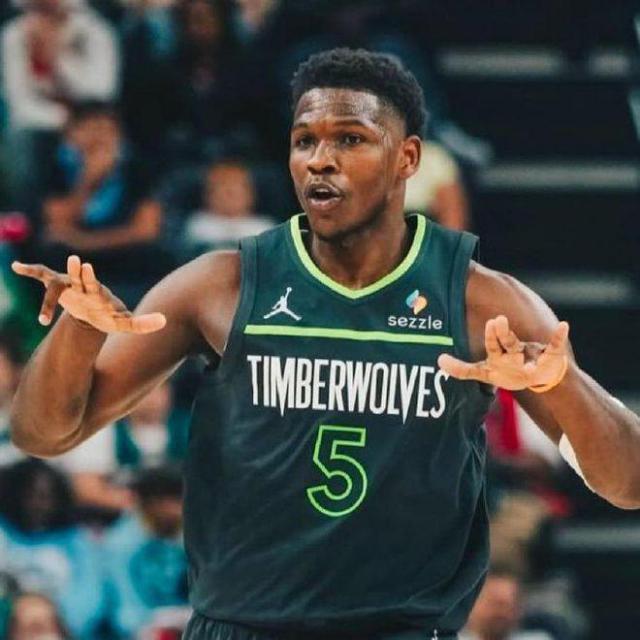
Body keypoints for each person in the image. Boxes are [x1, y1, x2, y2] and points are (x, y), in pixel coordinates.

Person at [8, 48, 640, 639]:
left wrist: (561, 384)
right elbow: (43, 434)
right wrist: (78, 330)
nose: (320, 159)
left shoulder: (481, 301)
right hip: (240, 626)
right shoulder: (220, 285)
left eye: (350, 139)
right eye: (304, 140)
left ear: (407, 158)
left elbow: (629, 482)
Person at [0, 460, 105, 638]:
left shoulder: (75, 540)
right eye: (29, 496)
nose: (37, 504)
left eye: (45, 497)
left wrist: (53, 621)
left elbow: (90, 597)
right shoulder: (3, 532)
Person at [102, 466, 188, 638]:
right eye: (170, 499)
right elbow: (125, 610)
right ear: (148, 502)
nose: (177, 508)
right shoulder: (119, 543)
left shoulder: (194, 536)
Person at [183, 158, 274, 254]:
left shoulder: (264, 228)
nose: (230, 192)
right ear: (207, 194)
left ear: (250, 193)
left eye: (236, 187)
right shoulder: (198, 226)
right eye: (222, 186)